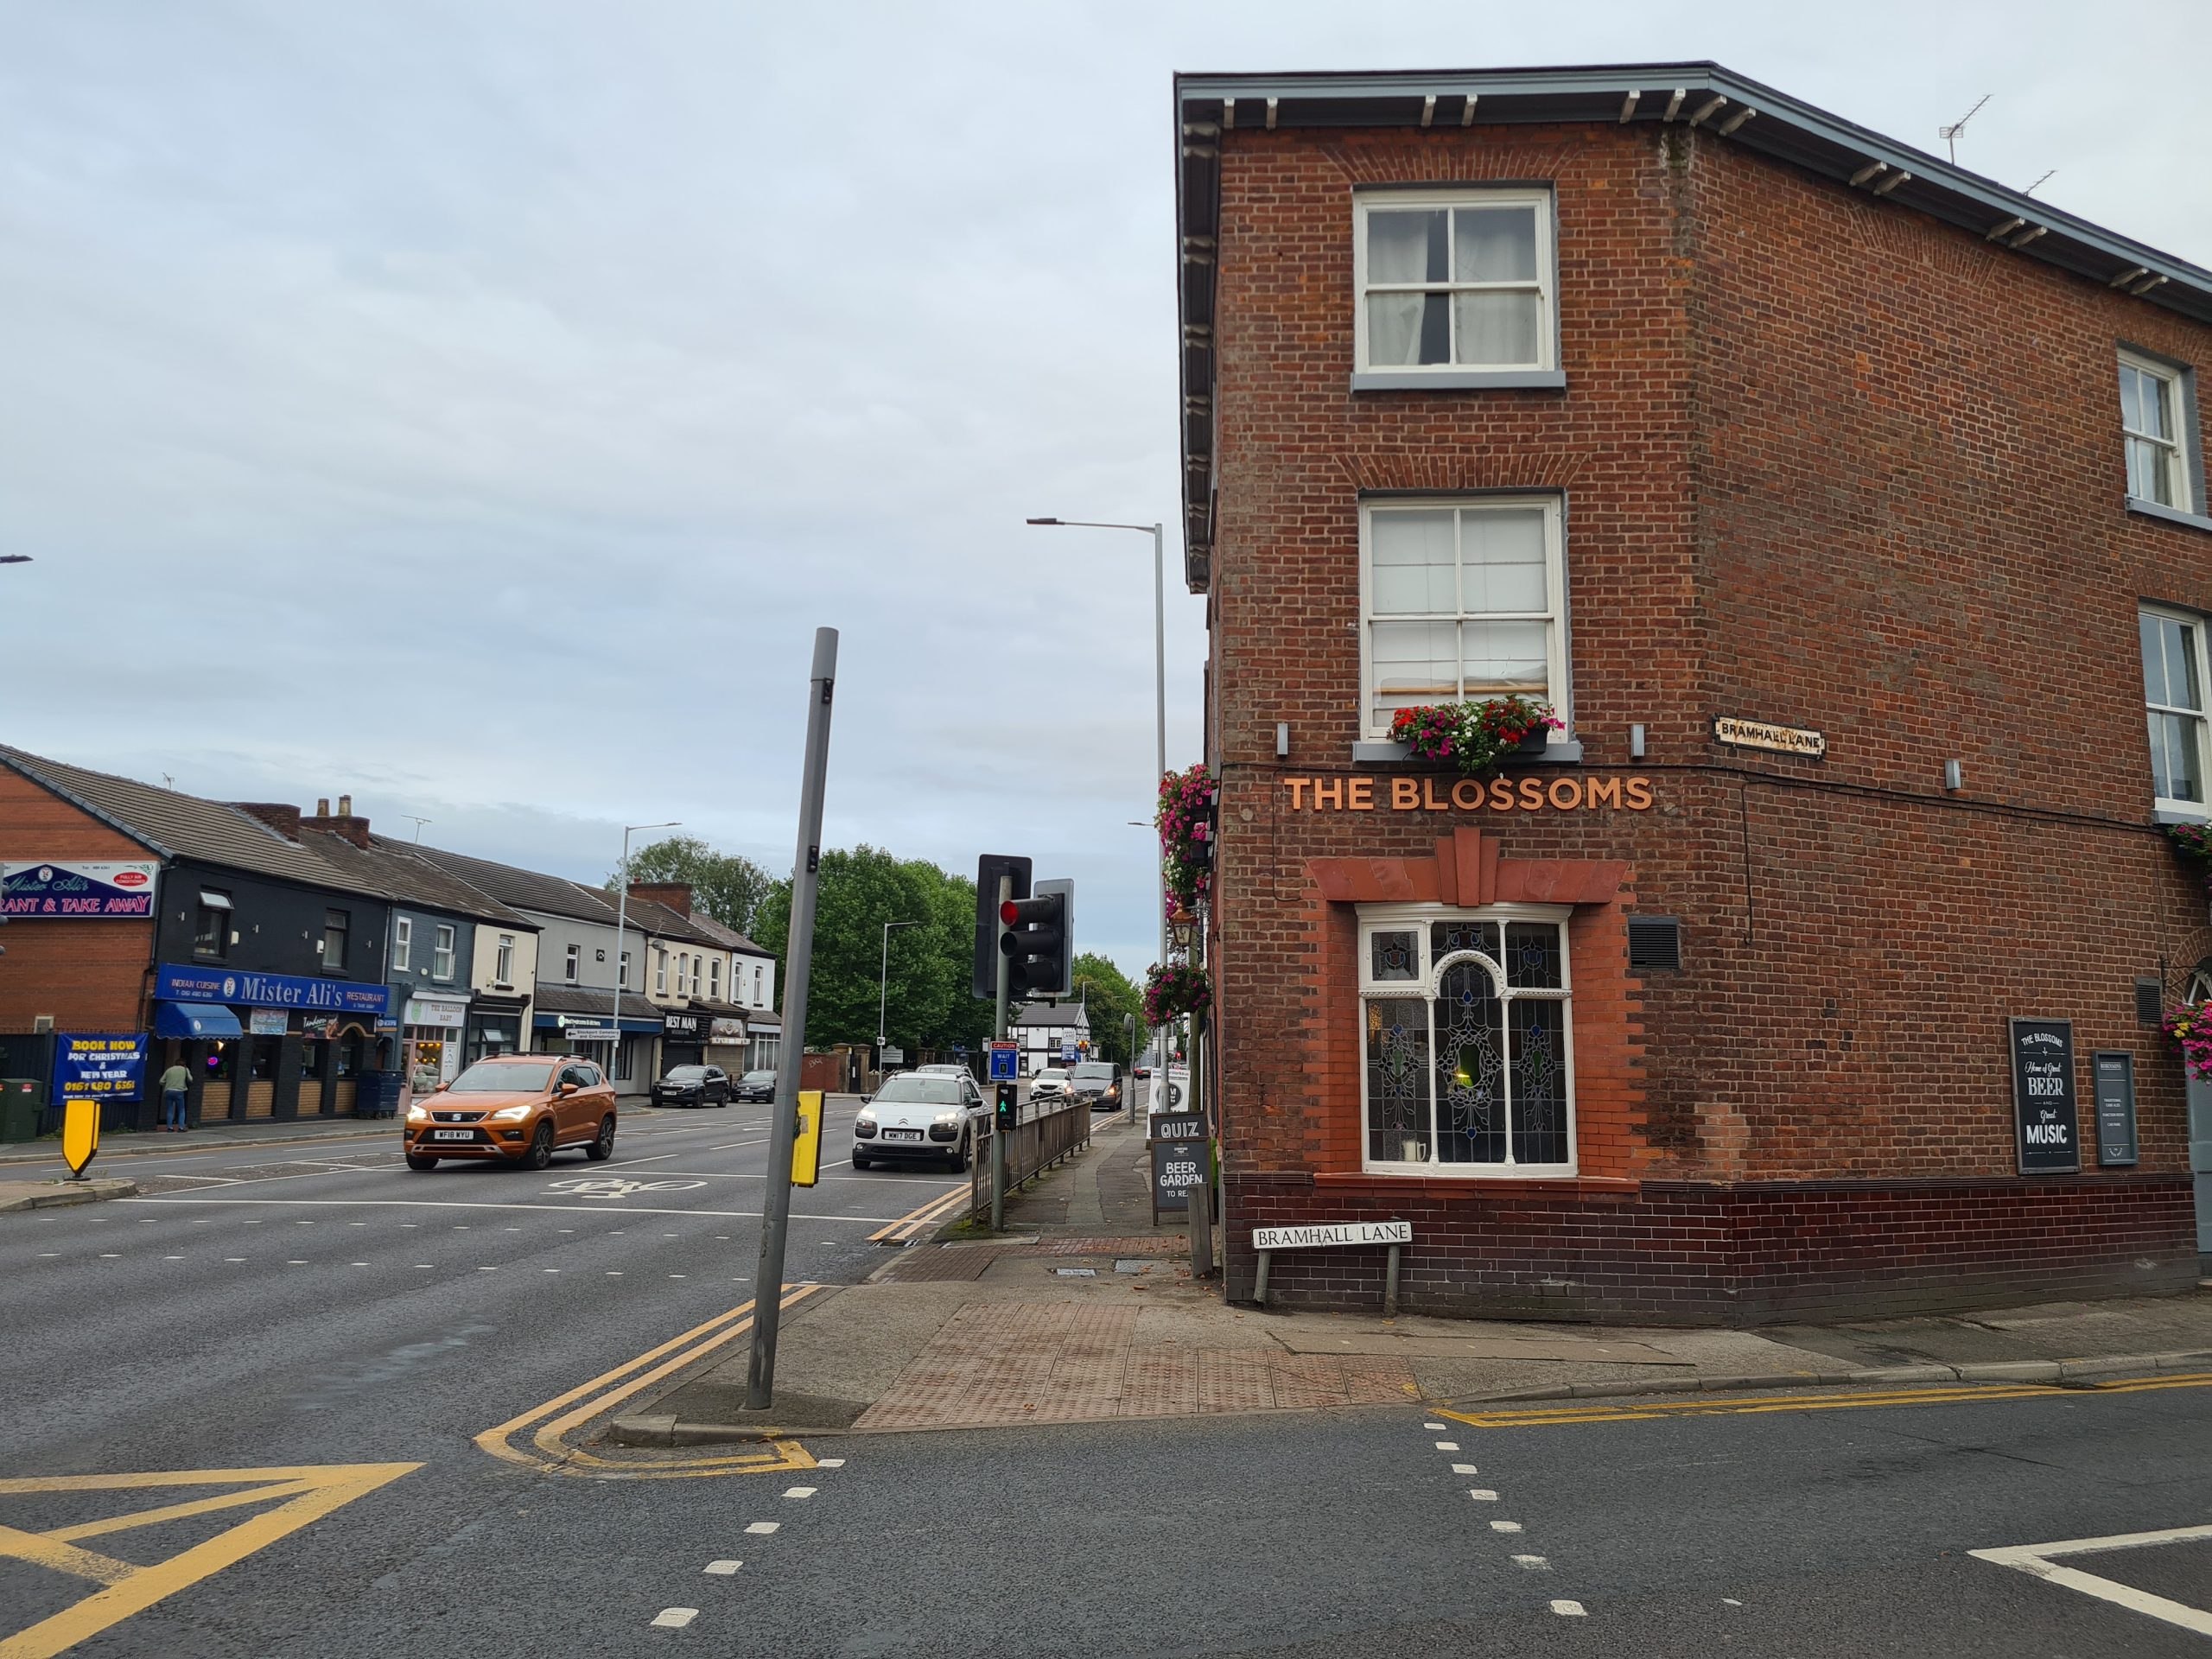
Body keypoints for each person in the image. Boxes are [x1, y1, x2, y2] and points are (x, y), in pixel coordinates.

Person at [159, 1059, 190, 1132]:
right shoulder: (185, 1069)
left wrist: (167, 1084)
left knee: (170, 1109)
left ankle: (169, 1128)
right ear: (184, 1065)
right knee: (181, 1110)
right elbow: (191, 1079)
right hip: (179, 1091)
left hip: (168, 1091)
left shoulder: (169, 1070)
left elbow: (161, 1081)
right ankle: (181, 1128)